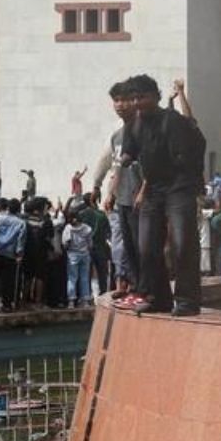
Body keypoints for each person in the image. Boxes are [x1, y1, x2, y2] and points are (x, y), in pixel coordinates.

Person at [116, 74, 206, 316]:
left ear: (155, 97)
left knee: (182, 243)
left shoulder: (172, 121)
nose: (137, 102)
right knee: (147, 245)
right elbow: (129, 151)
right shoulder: (134, 123)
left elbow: (187, 154)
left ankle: (187, 300)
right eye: (133, 98)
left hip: (178, 186)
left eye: (142, 97)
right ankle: (158, 297)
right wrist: (123, 160)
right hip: (154, 188)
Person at [91, 80, 142, 296]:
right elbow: (113, 165)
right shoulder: (117, 136)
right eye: (116, 101)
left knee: (143, 245)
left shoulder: (144, 129)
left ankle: (143, 288)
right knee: (126, 245)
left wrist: (143, 191)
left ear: (134, 101)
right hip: (122, 197)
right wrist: (105, 190)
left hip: (143, 197)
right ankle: (127, 283)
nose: (120, 105)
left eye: (124, 100)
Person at [61, 200, 95, 305]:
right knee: (84, 277)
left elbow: (65, 244)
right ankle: (85, 300)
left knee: (72, 278)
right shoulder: (87, 228)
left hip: (72, 255)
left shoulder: (68, 228)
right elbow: (90, 245)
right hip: (85, 254)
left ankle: (71, 300)